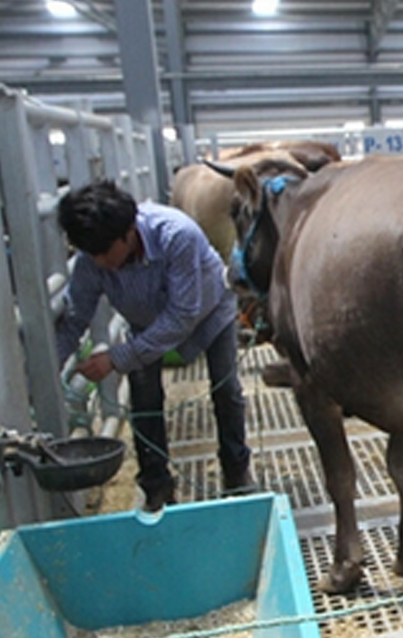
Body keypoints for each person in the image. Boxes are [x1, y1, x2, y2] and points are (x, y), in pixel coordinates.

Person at [55, 179, 257, 512]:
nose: (100, 262)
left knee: (226, 388)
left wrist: (116, 358)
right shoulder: (93, 260)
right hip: (146, 323)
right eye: (92, 254)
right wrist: (50, 370)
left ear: (129, 231)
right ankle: (156, 486)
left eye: (106, 252)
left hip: (209, 312)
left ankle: (237, 472)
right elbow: (75, 319)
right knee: (144, 400)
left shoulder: (177, 235)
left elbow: (181, 315)